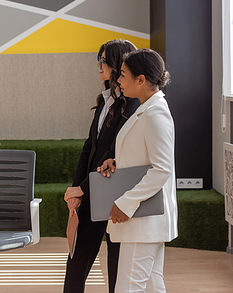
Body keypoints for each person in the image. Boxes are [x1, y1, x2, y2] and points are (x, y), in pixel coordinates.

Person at [97, 48, 178, 292]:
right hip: (145, 220)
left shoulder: (155, 113)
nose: (118, 80)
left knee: (128, 287)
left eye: (123, 75)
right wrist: (116, 161)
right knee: (153, 284)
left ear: (141, 79)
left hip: (143, 219)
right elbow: (144, 155)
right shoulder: (146, 109)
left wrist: (126, 202)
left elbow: (162, 168)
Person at [63, 39, 140, 293]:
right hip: (91, 189)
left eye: (103, 60)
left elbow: (115, 152)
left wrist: (83, 188)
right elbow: (90, 147)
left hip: (113, 191)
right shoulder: (105, 99)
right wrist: (77, 188)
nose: (98, 64)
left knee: (116, 262)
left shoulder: (132, 104)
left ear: (118, 64)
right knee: (77, 258)